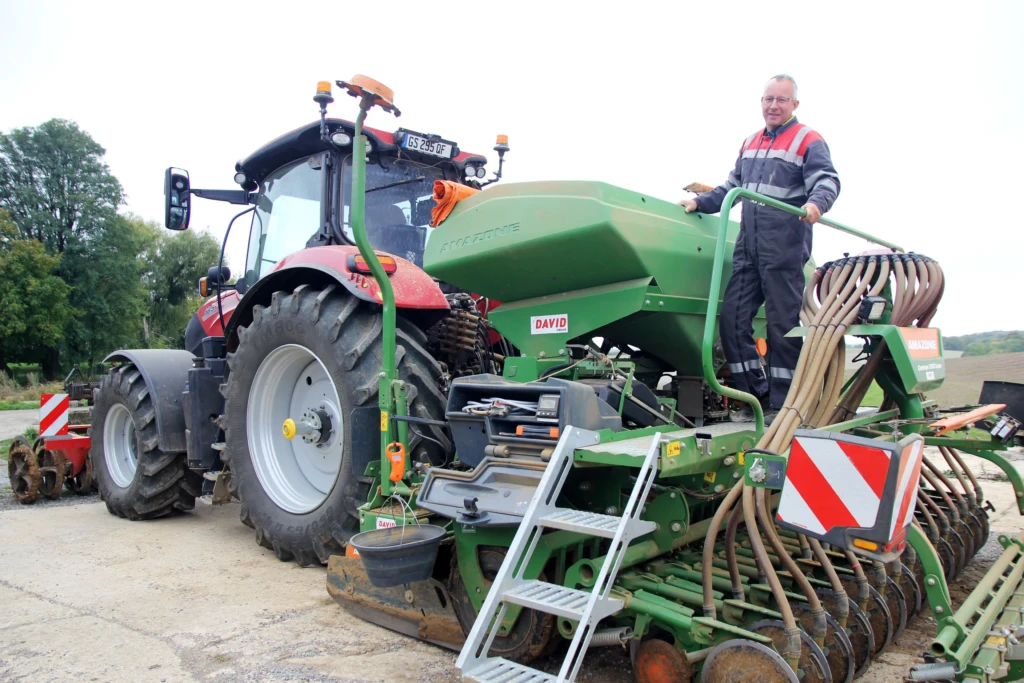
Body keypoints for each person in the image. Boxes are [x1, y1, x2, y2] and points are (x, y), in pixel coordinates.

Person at [679, 74, 840, 421]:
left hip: (784, 247)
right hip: (748, 249)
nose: (774, 106)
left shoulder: (808, 139)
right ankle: (756, 396)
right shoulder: (750, 143)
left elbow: (827, 179)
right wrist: (700, 203)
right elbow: (732, 186)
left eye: (782, 100)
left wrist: (817, 204)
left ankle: (784, 406)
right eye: (769, 99)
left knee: (783, 329)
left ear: (794, 105)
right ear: (761, 102)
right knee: (732, 321)